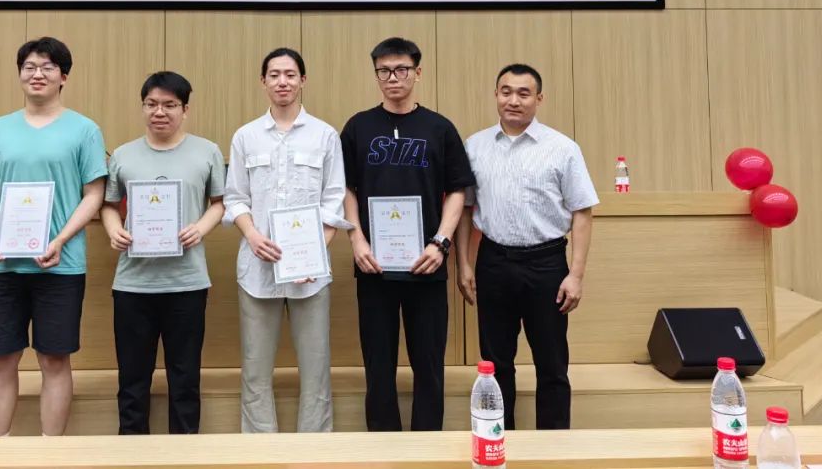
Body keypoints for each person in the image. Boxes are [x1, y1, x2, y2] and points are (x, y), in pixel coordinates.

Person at [0, 37, 108, 436]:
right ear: (19, 74)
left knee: (54, 360)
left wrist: (60, 239)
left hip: (60, 266)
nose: (37, 74)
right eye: (29, 67)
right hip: (3, 266)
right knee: (0, 361)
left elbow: (94, 194)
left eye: (48, 67)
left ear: (63, 77)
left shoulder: (85, 130)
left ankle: (51, 451)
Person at [341, 37, 475, 432]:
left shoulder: (440, 128)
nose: (392, 77)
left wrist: (441, 243)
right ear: (376, 76)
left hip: (427, 266)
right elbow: (345, 189)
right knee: (378, 365)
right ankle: (383, 446)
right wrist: (357, 240)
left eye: (401, 69)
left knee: (429, 366)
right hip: (374, 266)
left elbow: (457, 191)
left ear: (417, 72)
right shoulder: (358, 127)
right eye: (384, 71)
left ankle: (427, 445)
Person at [454, 63, 598, 430]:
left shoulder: (562, 148)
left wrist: (576, 275)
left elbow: (582, 212)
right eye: (506, 92)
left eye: (523, 93)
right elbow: (465, 209)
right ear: (496, 95)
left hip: (546, 264)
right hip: (493, 262)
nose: (513, 100)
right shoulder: (475, 146)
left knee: (552, 363)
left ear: (539, 98)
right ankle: (498, 440)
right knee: (495, 363)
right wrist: (464, 264)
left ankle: (553, 447)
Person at [223, 47, 348, 433]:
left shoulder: (325, 135)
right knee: (255, 368)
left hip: (310, 274)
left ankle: (314, 449)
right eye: (274, 75)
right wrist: (252, 235)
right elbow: (235, 197)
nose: (282, 82)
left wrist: (312, 255)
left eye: (290, 74)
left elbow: (333, 200)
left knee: (316, 369)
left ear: (303, 81)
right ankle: (260, 450)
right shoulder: (245, 136)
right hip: (257, 271)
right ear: (263, 81)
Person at [101, 71, 225, 435]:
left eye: (170, 105)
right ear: (142, 108)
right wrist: (114, 229)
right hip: (133, 284)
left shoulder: (207, 151)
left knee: (185, 380)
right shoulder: (123, 155)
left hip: (187, 283)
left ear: (185, 109)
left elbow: (220, 203)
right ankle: (131, 452)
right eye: (152, 104)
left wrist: (200, 228)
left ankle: (184, 453)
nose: (160, 112)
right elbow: (108, 205)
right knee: (132, 380)